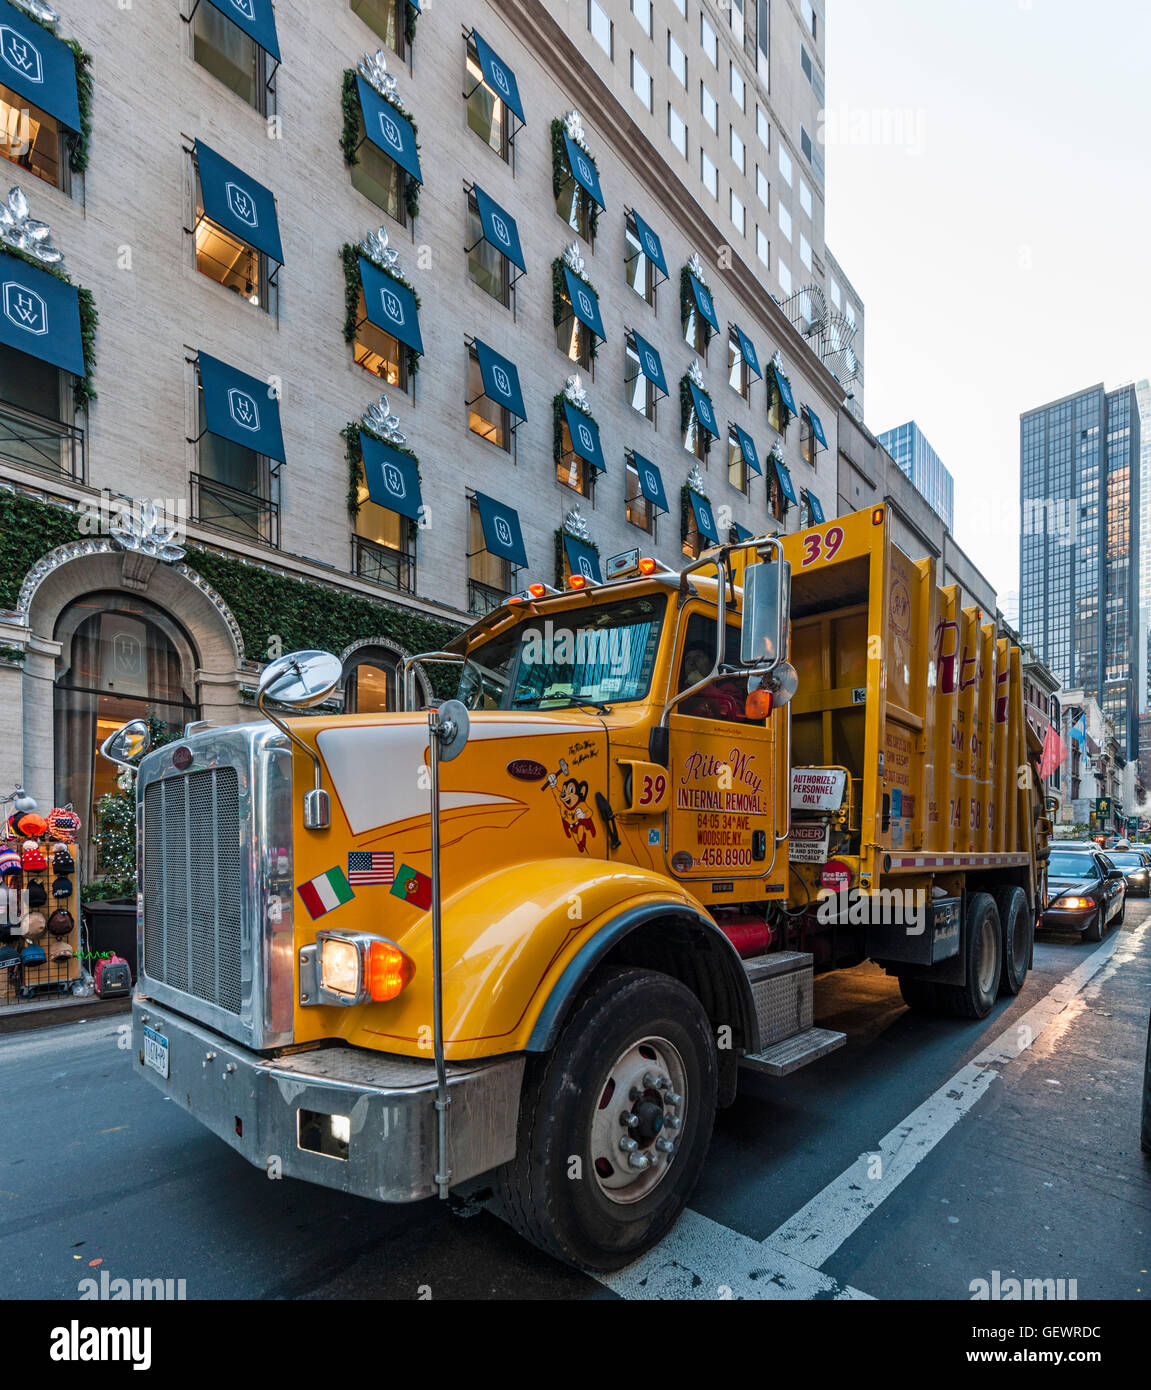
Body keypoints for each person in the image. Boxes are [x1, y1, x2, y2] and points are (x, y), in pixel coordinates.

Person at [679, 644, 749, 721]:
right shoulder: (676, 693)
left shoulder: (728, 689)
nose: (692, 662)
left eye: (698, 657)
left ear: (711, 665)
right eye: (687, 659)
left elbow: (735, 716)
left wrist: (702, 685)